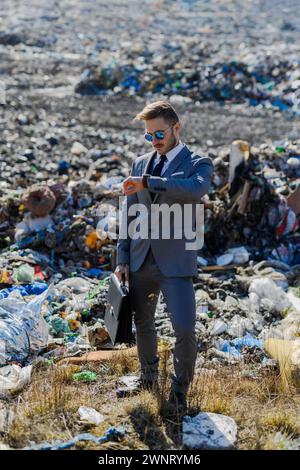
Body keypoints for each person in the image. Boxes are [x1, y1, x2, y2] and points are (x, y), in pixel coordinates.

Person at [115, 100, 213, 409]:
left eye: (159, 134)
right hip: (142, 257)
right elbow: (128, 213)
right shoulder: (139, 163)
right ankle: (147, 379)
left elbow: (195, 190)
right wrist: (122, 257)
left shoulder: (199, 162)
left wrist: (149, 181)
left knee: (184, 328)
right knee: (143, 323)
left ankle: (179, 393)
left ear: (176, 128)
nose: (155, 141)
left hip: (176, 262)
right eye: (149, 136)